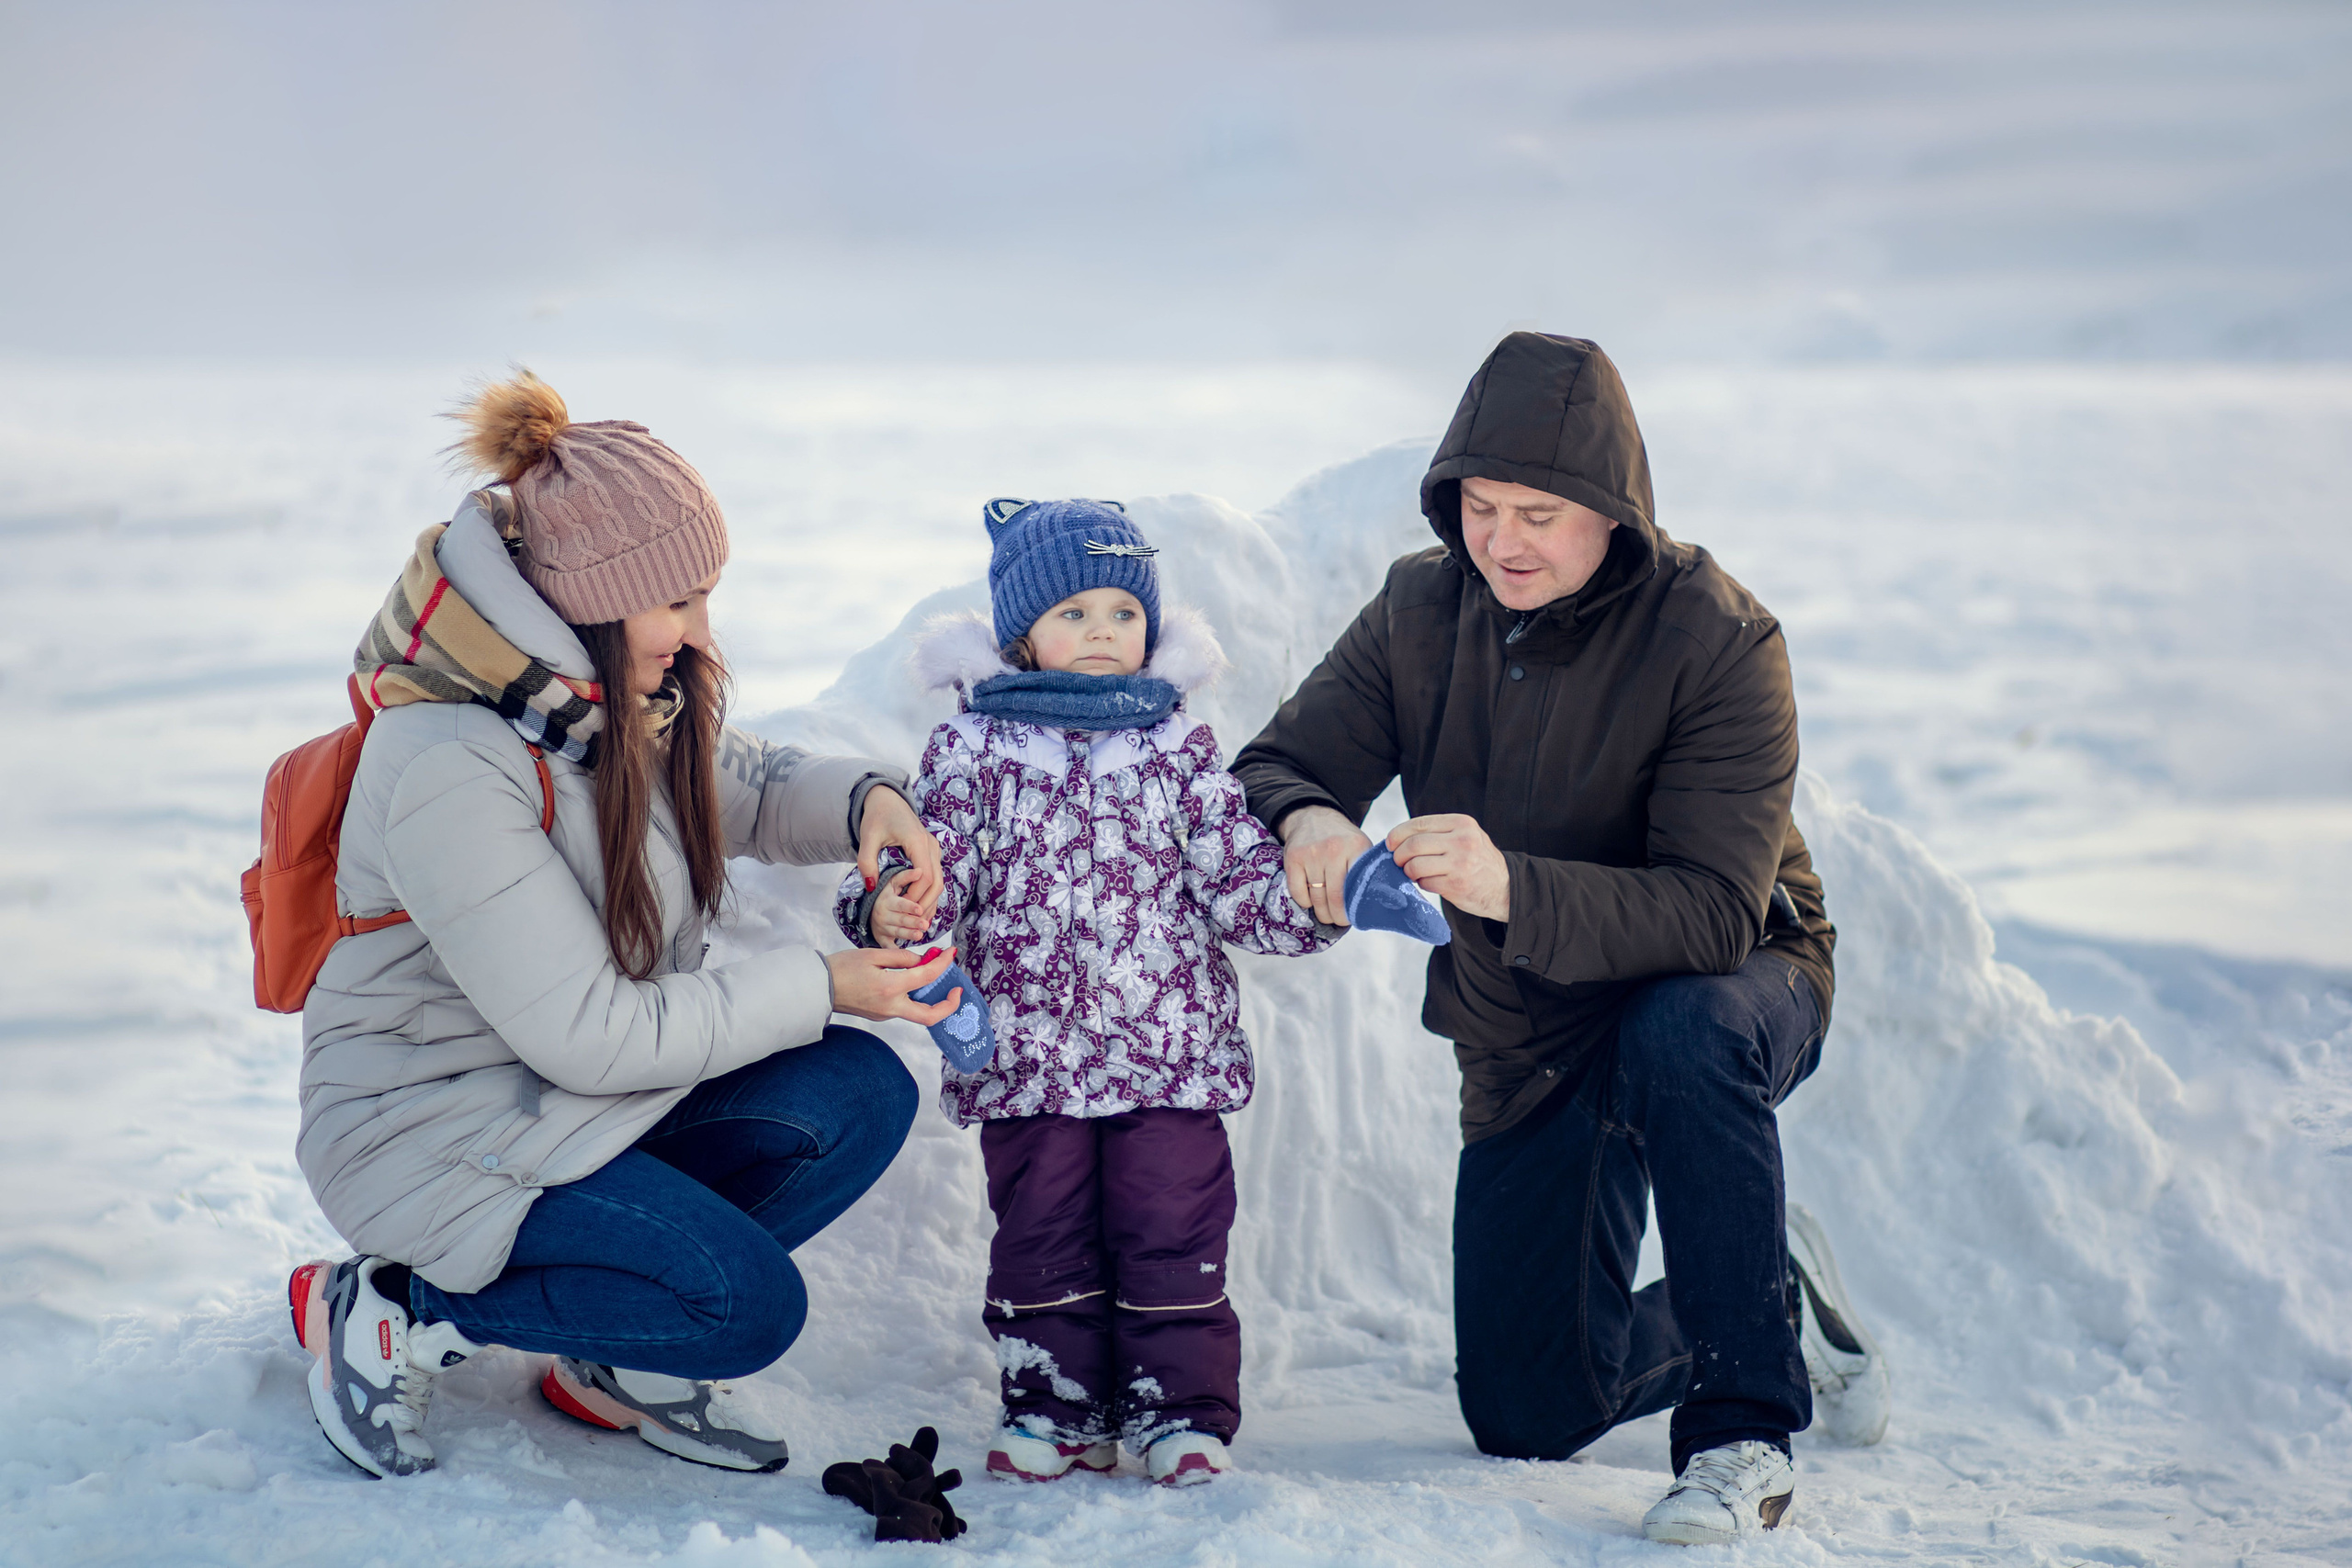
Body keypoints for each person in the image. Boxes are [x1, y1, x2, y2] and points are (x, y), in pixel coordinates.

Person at [1232, 333, 1887, 1546]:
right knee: (1526, 1405)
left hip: (1734, 973)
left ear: (1616, 515)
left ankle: (1741, 1432)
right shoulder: (1419, 610)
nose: (1504, 540)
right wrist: (1314, 815)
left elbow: (1709, 907)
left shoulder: (1721, 638)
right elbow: (1280, 759)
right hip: (1531, 1016)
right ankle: (1756, 1280)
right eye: (1480, 506)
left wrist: (1504, 882)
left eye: (1541, 511)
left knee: (1683, 1027)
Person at [288, 371, 963, 1481]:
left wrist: (866, 804)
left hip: (568, 1109)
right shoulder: (448, 760)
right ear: (592, 602)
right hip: (435, 1135)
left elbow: (742, 784)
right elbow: (592, 1035)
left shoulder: (600, 706)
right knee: (743, 1309)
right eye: (679, 602)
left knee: (859, 1092)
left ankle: (602, 1354)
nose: (702, 636)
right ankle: (393, 1305)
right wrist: (827, 983)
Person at [834, 498, 1340, 1487]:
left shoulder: (1180, 752)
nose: (1103, 629)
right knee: (1042, 1242)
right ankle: (1052, 1406)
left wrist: (1313, 900)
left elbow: (1235, 879)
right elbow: (939, 878)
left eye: (1121, 609)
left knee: (1173, 1239)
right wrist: (893, 910)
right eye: (1074, 613)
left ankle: (1174, 1411)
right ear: (1022, 634)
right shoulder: (972, 755)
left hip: (1169, 1063)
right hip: (1027, 1062)